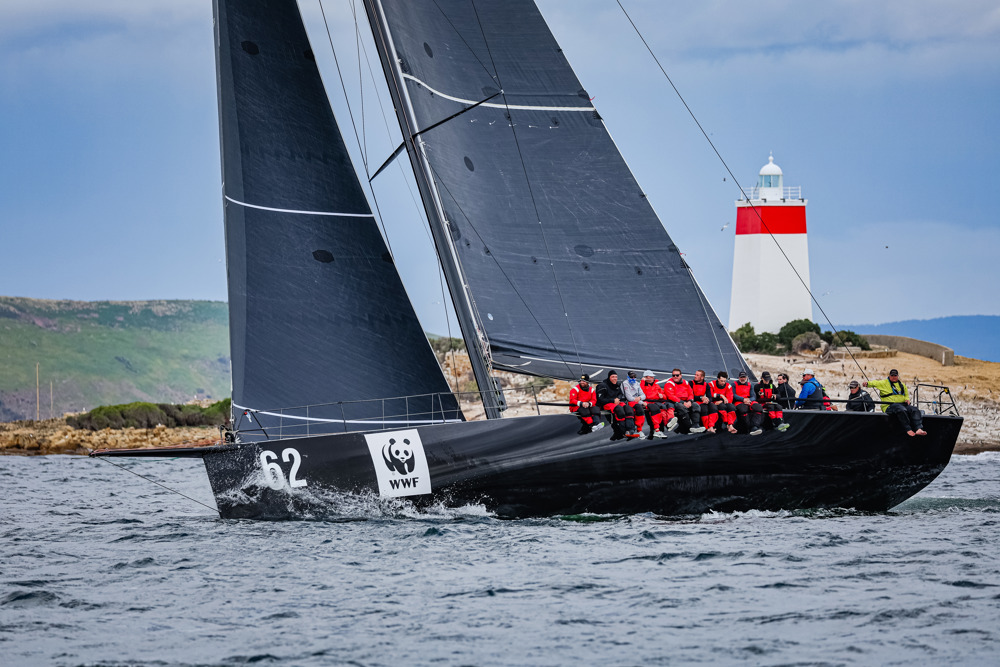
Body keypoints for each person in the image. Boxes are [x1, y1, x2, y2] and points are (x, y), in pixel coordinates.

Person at [864, 370, 926, 436]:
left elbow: (906, 395)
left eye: (895, 376)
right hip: (889, 406)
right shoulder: (884, 383)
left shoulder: (902, 384)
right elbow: (875, 383)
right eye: (892, 376)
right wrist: (867, 384)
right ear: (889, 376)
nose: (893, 377)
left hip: (902, 404)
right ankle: (908, 429)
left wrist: (907, 399)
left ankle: (918, 428)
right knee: (901, 409)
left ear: (898, 376)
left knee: (914, 409)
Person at [597, 370, 639, 440]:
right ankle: (623, 431)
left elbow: (620, 393)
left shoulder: (617, 385)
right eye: (613, 377)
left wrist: (618, 399)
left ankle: (630, 430)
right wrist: (613, 400)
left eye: (616, 377)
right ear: (609, 377)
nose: (615, 378)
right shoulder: (602, 386)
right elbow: (600, 399)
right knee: (620, 410)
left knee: (629, 409)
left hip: (617, 402)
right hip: (607, 403)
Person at [665, 369, 706, 434]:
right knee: (681, 407)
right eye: (673, 375)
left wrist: (690, 401)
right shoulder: (669, 384)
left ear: (681, 375)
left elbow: (690, 393)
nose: (675, 376)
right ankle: (688, 428)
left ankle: (696, 425)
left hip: (686, 401)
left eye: (677, 375)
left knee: (695, 405)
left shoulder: (685, 382)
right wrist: (683, 402)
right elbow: (671, 396)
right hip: (676, 402)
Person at [640, 371, 676, 439]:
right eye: (651, 377)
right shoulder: (642, 385)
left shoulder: (656, 385)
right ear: (646, 378)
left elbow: (664, 394)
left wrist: (662, 396)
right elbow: (642, 393)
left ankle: (669, 421)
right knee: (661, 408)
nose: (653, 378)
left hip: (658, 401)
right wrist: (642, 382)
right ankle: (666, 425)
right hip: (650, 402)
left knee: (669, 406)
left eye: (652, 377)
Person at [732, 370, 765, 435]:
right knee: (743, 410)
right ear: (739, 378)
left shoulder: (750, 385)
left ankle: (755, 426)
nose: (743, 379)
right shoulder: (734, 384)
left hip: (749, 400)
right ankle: (748, 427)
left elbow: (753, 395)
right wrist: (743, 399)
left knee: (758, 408)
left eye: (744, 377)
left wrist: (749, 400)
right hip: (739, 401)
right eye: (741, 377)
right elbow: (733, 395)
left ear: (746, 378)